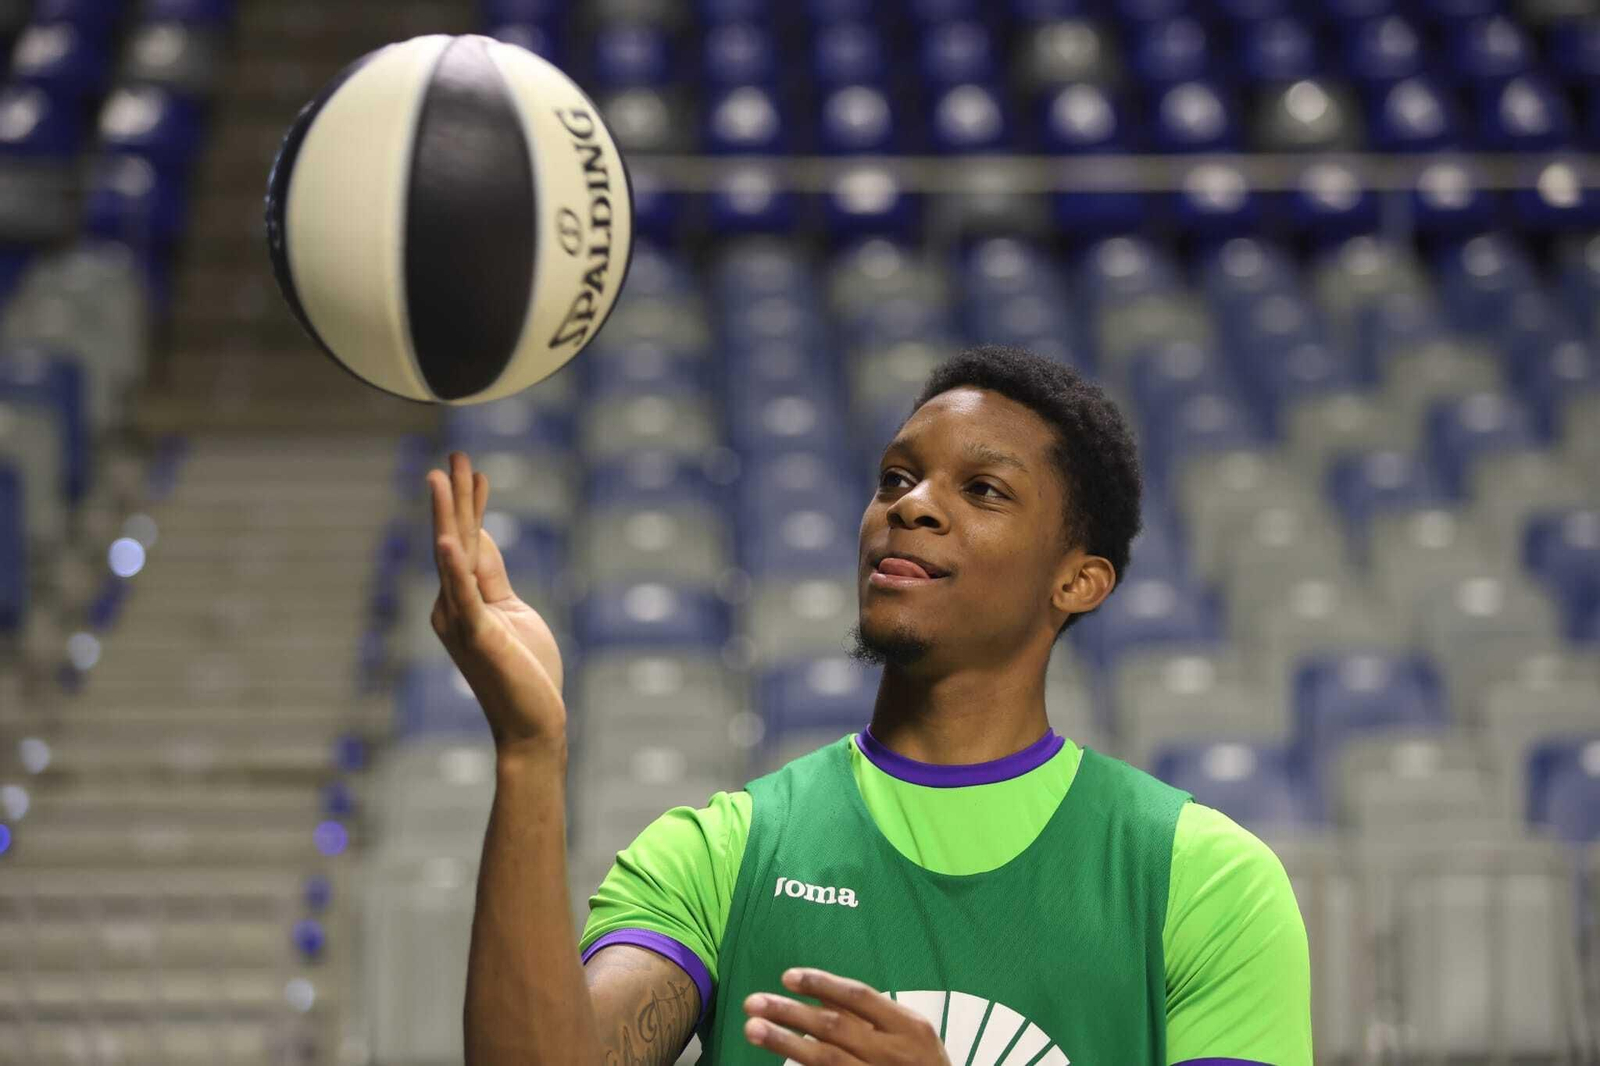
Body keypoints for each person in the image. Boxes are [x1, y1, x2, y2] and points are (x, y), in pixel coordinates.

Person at [432, 344, 1313, 1066]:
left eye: (983, 490)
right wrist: (527, 749)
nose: (913, 505)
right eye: (896, 479)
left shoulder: (1202, 879)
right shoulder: (722, 853)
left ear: (1078, 581)